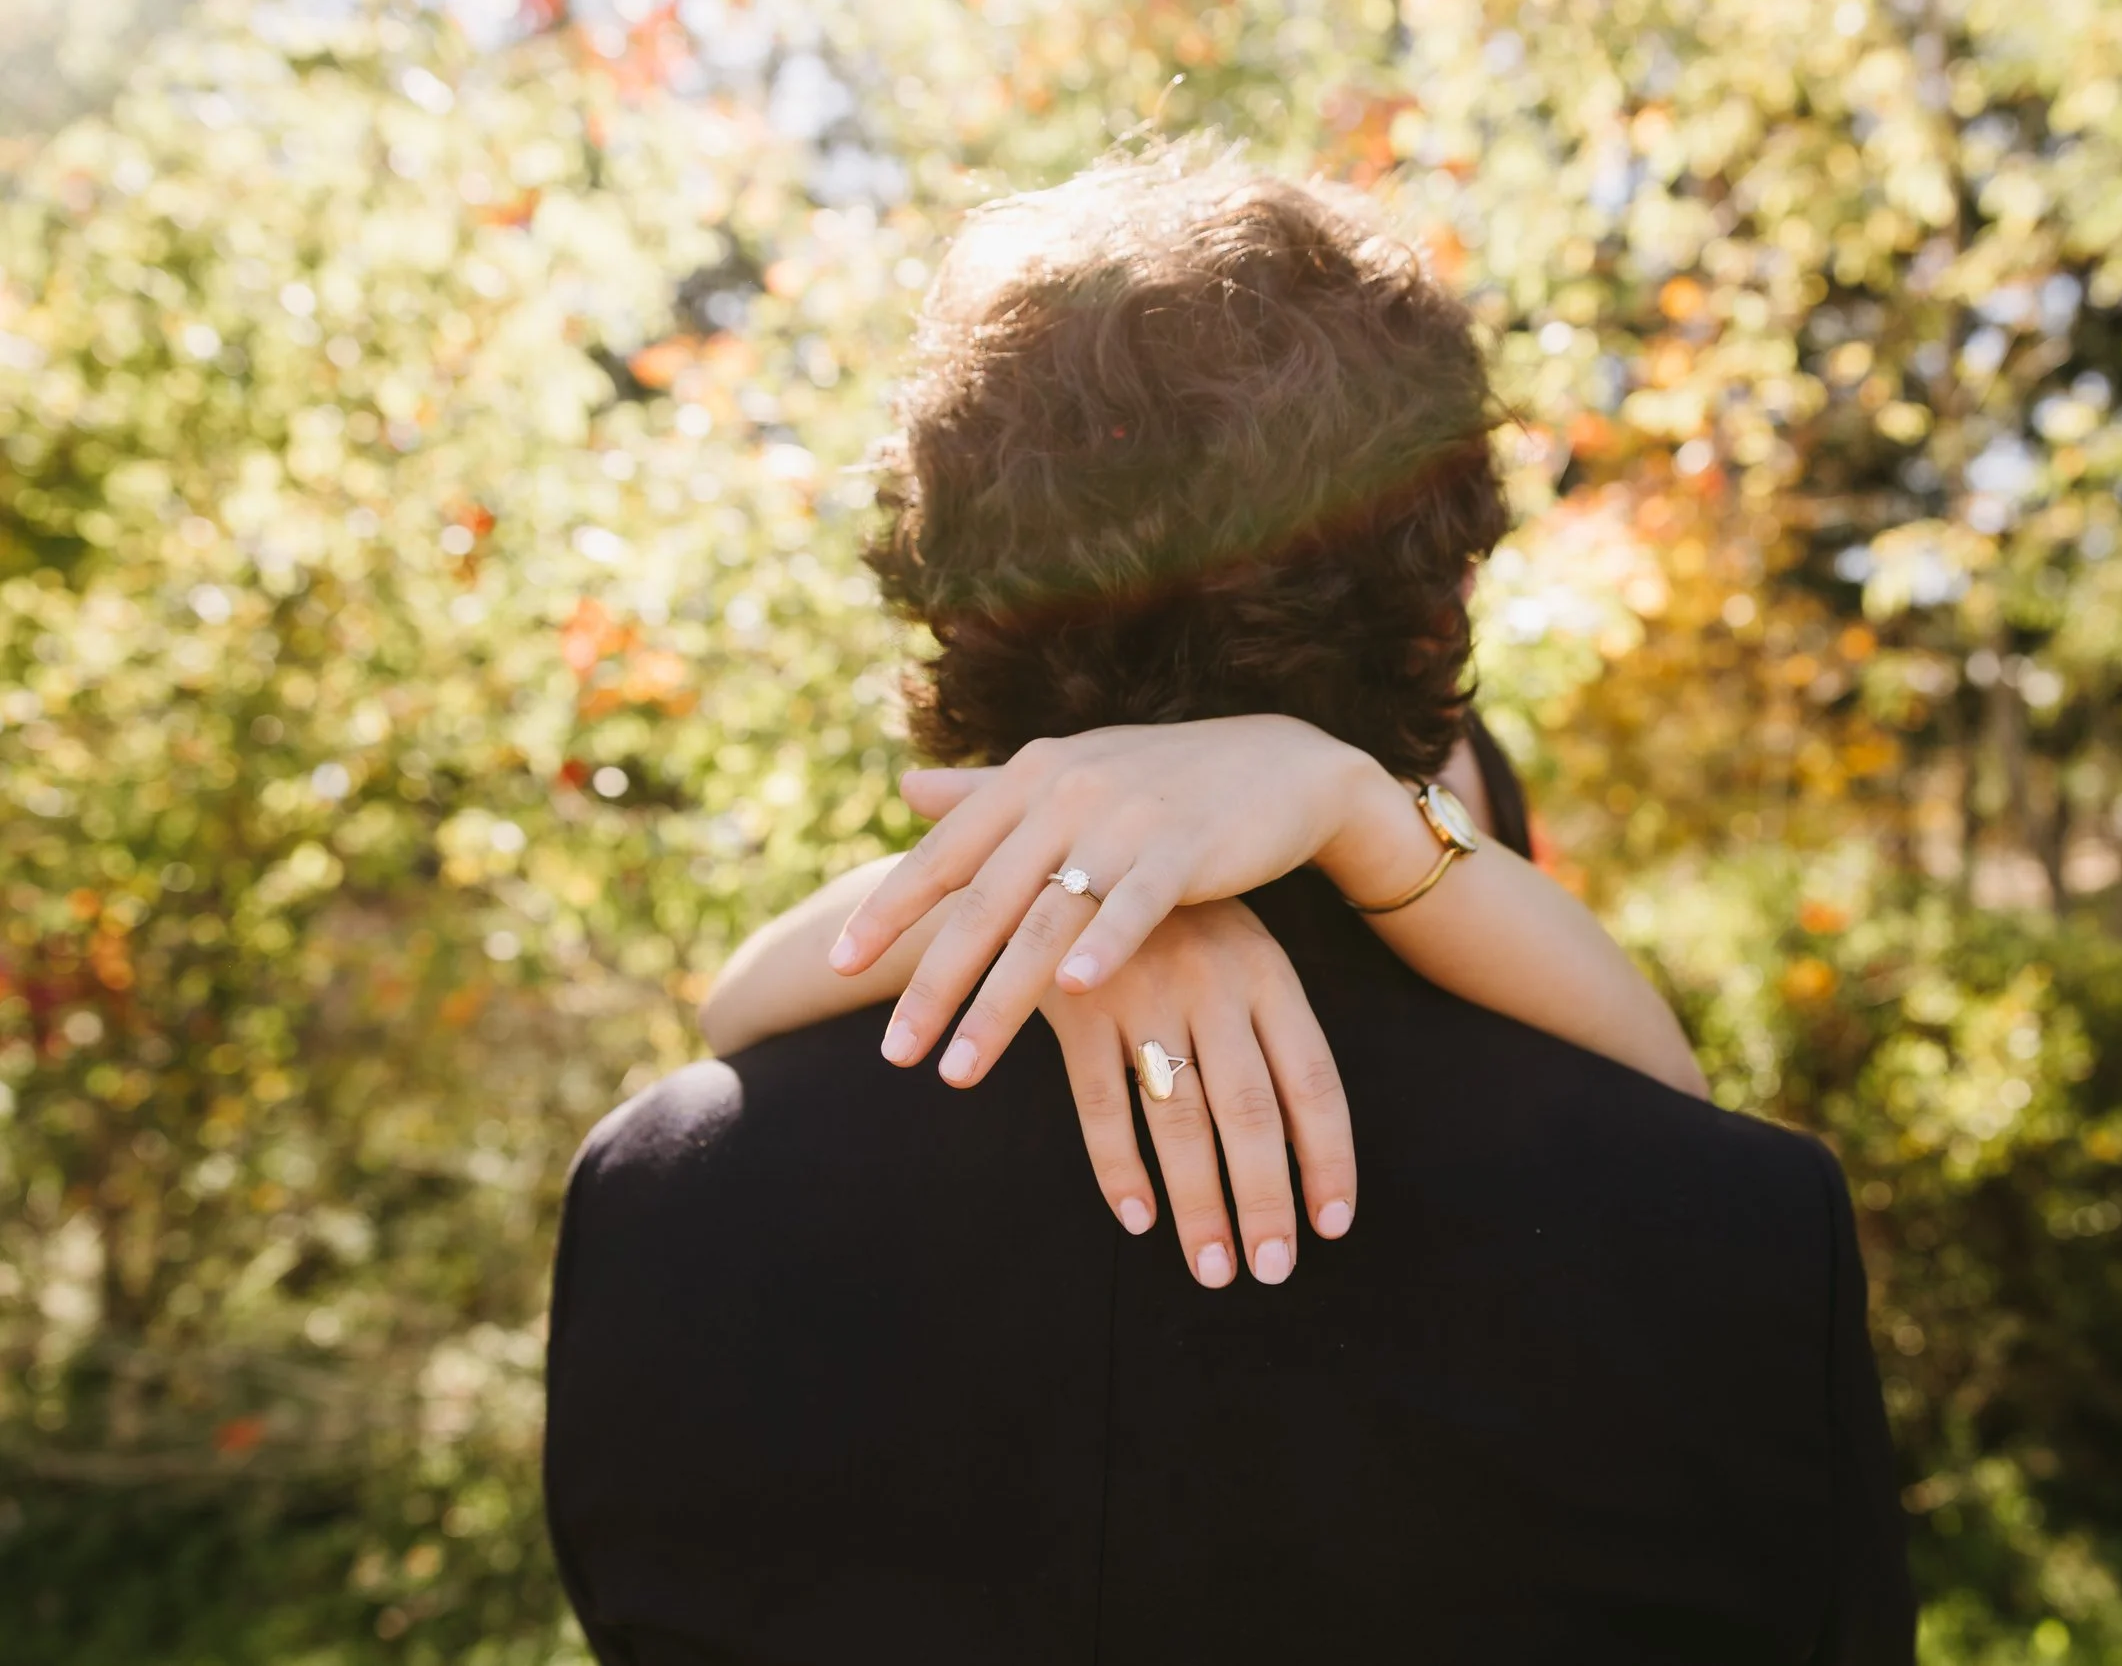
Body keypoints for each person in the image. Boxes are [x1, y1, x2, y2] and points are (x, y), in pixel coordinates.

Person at [542, 146, 1915, 1661]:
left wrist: (1079, 878)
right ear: (1437, 597)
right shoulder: (1740, 1235)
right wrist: (1343, 810)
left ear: (954, 605)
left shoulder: (656, 1199)